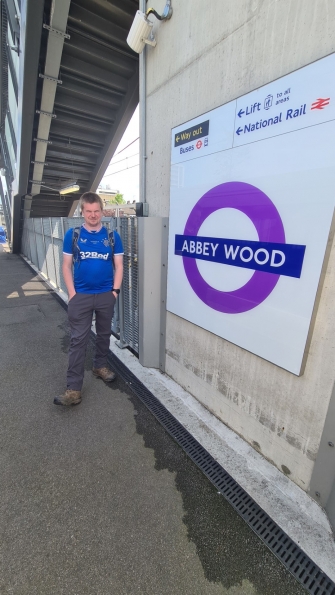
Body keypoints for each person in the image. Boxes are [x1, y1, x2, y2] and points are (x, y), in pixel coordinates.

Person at [54, 192, 124, 406]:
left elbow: (119, 265)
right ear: (82, 212)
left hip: (105, 295)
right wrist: (73, 294)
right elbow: (66, 266)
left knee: (104, 335)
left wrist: (115, 292)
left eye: (97, 211)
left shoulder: (112, 236)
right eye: (89, 211)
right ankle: (73, 389)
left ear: (102, 212)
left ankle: (99, 366)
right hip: (81, 297)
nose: (93, 215)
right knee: (78, 341)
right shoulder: (73, 235)